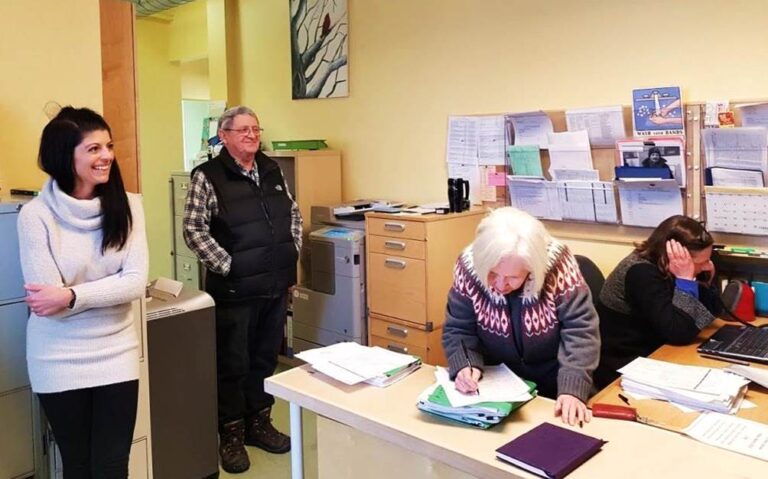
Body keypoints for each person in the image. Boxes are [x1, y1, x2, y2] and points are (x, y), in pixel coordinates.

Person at [18, 106, 148, 478]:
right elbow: (47, 303)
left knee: (111, 465)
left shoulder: (130, 207)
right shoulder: (35, 216)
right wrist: (102, 290)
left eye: (108, 146)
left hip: (116, 352)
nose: (106, 155)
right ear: (65, 155)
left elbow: (135, 282)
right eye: (93, 149)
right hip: (57, 358)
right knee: (77, 465)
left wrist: (73, 296)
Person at [183, 106, 302, 473]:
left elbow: (293, 215)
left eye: (255, 129)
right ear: (225, 134)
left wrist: (291, 252)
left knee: (265, 360)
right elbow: (194, 230)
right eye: (243, 130)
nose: (252, 135)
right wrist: (229, 266)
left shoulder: (271, 169)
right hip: (234, 291)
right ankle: (231, 435)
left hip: (273, 286)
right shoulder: (208, 176)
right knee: (232, 364)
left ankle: (259, 423)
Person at [442, 207, 600, 426]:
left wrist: (573, 388)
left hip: (555, 385)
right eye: (492, 274)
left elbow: (580, 329)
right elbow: (459, 328)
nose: (499, 285)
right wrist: (465, 365)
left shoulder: (557, 264)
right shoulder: (468, 266)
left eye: (512, 278)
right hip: (496, 388)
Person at [594, 215, 721, 389]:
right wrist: (685, 280)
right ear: (674, 257)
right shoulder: (641, 273)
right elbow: (679, 333)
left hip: (657, 353)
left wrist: (705, 280)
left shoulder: (668, 267)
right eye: (702, 262)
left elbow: (710, 315)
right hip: (625, 366)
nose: (707, 266)